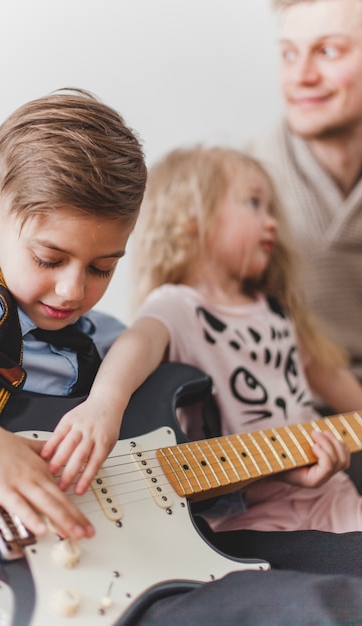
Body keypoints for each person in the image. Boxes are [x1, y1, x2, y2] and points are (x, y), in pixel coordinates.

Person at [57, 145, 362, 540]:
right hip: (250, 514)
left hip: (332, 494)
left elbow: (330, 376)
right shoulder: (176, 306)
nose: (271, 223)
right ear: (191, 218)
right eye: (254, 204)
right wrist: (102, 406)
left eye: (270, 209)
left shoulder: (274, 310)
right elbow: (138, 344)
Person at [0, 87, 147, 539]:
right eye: (49, 259)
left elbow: (151, 334)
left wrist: (105, 404)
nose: (72, 290)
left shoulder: (91, 338)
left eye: (102, 268)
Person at [247, 0, 362, 382]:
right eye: (289, 54)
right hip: (292, 423)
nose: (301, 76)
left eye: (328, 51)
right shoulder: (239, 187)